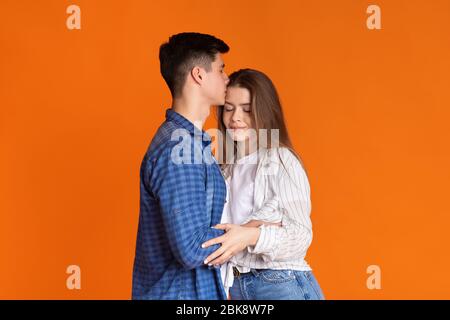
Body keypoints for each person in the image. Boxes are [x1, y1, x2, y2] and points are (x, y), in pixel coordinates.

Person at [202, 69, 325, 300]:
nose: (235, 117)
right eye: (228, 108)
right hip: (237, 286)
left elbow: (300, 236)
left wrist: (250, 236)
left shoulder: (282, 160)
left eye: (247, 109)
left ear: (264, 111)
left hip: (281, 284)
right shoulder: (224, 168)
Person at [132, 32, 236, 299]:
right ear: (199, 75)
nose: (227, 78)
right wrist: (248, 237)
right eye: (221, 69)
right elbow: (191, 248)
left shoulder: (190, 144)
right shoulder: (180, 150)